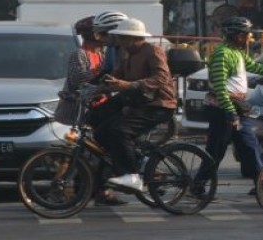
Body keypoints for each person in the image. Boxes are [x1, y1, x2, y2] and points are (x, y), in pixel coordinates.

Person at [205, 16, 263, 193]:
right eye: (245, 35)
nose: (248, 38)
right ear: (235, 35)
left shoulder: (238, 53)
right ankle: (196, 187)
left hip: (237, 107)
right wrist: (229, 112)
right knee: (216, 152)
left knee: (250, 146)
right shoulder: (223, 54)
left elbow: (259, 68)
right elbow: (220, 88)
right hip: (223, 109)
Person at [95, 17, 177, 194]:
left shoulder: (153, 51)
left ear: (134, 38)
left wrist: (130, 85)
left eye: (124, 38)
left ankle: (131, 175)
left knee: (119, 130)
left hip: (158, 104)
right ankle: (126, 158)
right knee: (98, 123)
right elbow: (116, 77)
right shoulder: (126, 54)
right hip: (137, 99)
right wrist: (93, 90)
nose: (121, 42)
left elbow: (161, 79)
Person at [57, 14, 125, 206]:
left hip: (99, 109)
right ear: (96, 36)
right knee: (76, 155)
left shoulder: (102, 55)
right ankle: (66, 191)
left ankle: (100, 191)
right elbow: (80, 82)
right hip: (79, 112)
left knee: (99, 154)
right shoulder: (80, 55)